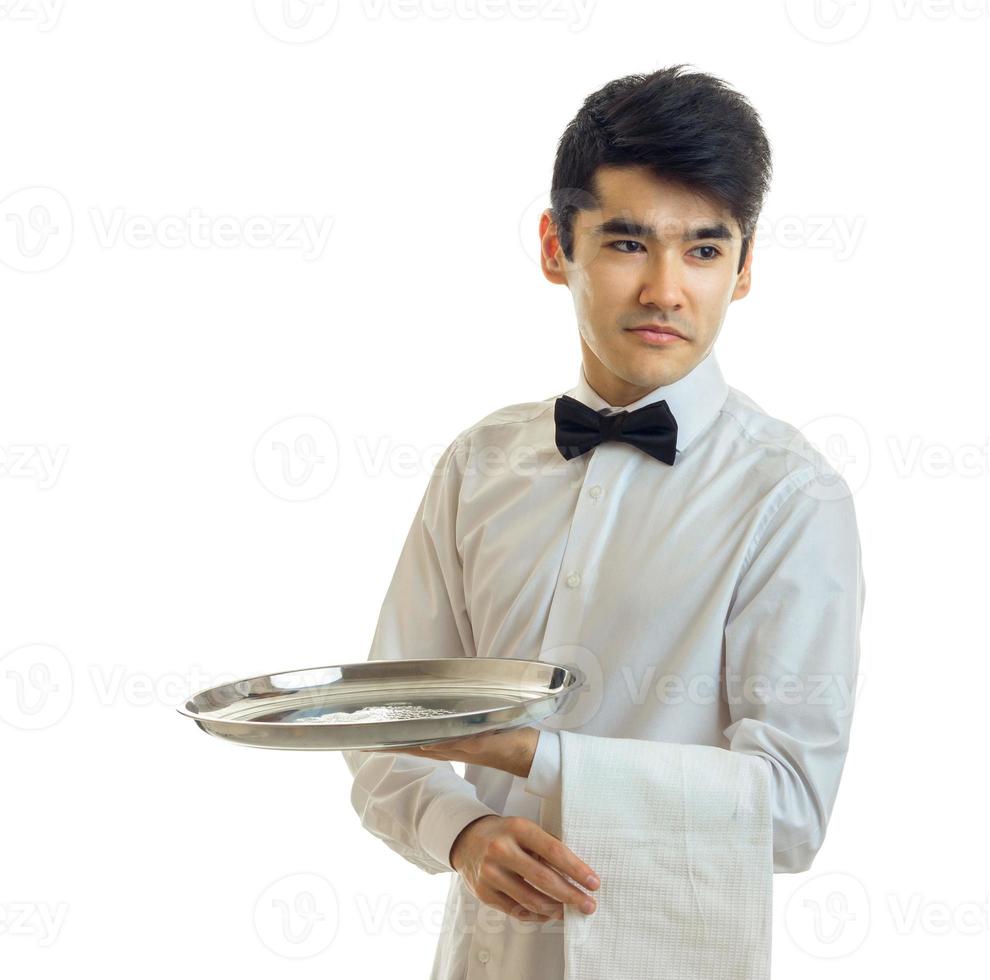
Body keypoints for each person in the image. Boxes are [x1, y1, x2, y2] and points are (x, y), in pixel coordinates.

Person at [343, 63, 865, 980]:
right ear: (556, 247)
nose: (666, 289)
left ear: (744, 271)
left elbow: (789, 810)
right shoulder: (478, 466)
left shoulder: (792, 496)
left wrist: (529, 758)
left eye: (704, 251)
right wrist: (462, 831)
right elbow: (386, 724)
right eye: (628, 243)